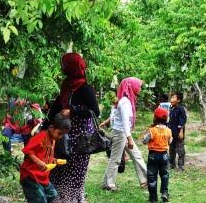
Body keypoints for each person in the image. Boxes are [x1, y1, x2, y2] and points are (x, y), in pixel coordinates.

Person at [47, 53, 100, 203]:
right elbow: (57, 106)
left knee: (74, 175)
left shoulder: (85, 88)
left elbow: (95, 112)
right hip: (62, 137)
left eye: (65, 65)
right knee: (58, 171)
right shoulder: (66, 86)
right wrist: (45, 125)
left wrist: (73, 110)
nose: (62, 67)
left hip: (80, 142)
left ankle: (72, 199)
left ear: (72, 67)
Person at [102, 77, 147, 191]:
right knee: (116, 159)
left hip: (124, 133)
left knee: (137, 155)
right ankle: (108, 183)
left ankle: (145, 180)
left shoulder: (128, 100)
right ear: (133, 87)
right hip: (121, 133)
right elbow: (125, 124)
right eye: (139, 86)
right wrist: (130, 138)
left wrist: (128, 136)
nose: (140, 89)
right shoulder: (125, 103)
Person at [20, 114, 71, 203]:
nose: (60, 137)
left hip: (43, 177)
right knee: (40, 199)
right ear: (51, 128)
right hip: (30, 175)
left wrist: (54, 160)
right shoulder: (41, 136)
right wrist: (39, 162)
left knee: (52, 194)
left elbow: (47, 155)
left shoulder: (53, 140)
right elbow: (27, 150)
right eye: (59, 133)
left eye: (62, 135)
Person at [143, 107, 172, 203]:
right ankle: (164, 193)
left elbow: (144, 141)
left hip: (153, 156)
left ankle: (153, 199)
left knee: (152, 177)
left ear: (155, 118)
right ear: (166, 119)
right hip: (164, 155)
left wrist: (148, 133)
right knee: (164, 175)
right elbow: (170, 141)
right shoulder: (168, 130)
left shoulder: (152, 130)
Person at [168, 92, 187, 171]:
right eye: (171, 98)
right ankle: (172, 164)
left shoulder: (181, 109)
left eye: (173, 98)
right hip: (172, 132)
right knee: (171, 149)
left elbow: (182, 121)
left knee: (180, 150)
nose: (171, 99)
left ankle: (180, 166)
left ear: (178, 100)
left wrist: (181, 131)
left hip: (178, 132)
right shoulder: (171, 108)